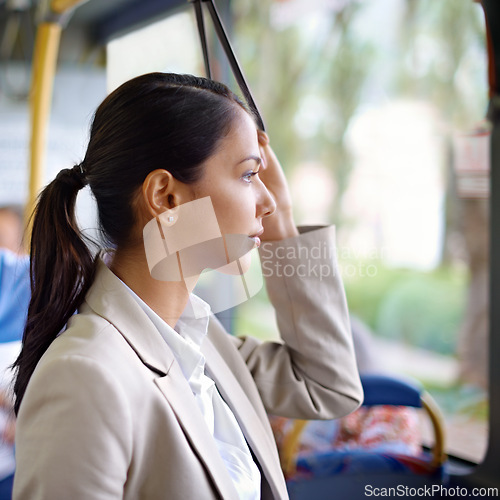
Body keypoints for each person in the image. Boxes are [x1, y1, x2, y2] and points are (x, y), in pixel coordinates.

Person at [12, 73, 362, 500]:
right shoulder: (85, 375)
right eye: (250, 175)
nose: (267, 203)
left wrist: (284, 225)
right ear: (166, 196)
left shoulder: (201, 343)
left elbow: (328, 386)